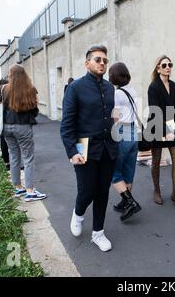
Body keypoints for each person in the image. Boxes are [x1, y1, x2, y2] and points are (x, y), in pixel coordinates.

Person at [60, 45, 117, 252]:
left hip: (108, 148)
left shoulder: (110, 88)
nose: (102, 63)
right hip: (83, 147)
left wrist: (118, 140)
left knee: (102, 191)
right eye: (97, 59)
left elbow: (114, 117)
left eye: (104, 60)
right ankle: (78, 213)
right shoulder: (75, 87)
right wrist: (72, 152)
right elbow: (67, 124)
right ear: (87, 63)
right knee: (87, 190)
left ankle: (98, 233)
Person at [147, 55, 175, 209]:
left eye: (170, 64)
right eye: (164, 65)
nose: (168, 67)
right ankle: (157, 191)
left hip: (171, 123)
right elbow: (154, 111)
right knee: (156, 159)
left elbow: (170, 108)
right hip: (156, 125)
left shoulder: (173, 85)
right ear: (158, 68)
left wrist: (173, 127)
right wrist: (165, 130)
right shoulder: (153, 87)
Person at [2, 65, 46, 202]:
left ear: (11, 75)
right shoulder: (30, 89)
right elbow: (34, 112)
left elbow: (0, 106)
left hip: (7, 127)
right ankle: (30, 191)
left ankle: (17, 186)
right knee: (28, 158)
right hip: (23, 127)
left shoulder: (4, 89)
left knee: (13, 156)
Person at [109, 62, 142, 221]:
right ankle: (125, 202)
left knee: (114, 171)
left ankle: (130, 202)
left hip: (121, 131)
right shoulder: (133, 91)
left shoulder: (117, 94)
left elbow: (115, 117)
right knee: (128, 170)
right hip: (133, 132)